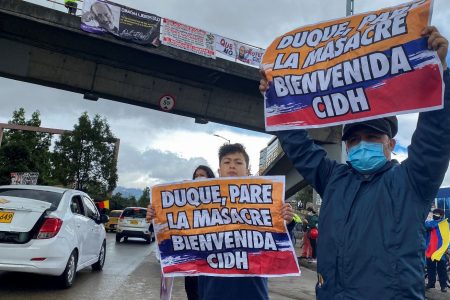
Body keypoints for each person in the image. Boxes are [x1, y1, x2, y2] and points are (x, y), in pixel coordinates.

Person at [259, 26, 450, 299]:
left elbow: (436, 137)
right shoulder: (333, 178)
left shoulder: (412, 182)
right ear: (346, 146)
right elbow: (299, 147)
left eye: (372, 136)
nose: (361, 144)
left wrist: (440, 75)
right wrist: (275, 99)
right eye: (354, 140)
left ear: (391, 144)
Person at [184, 165, 216, 300]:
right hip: (193, 260)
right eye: (196, 176)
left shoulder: (220, 200)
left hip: (212, 261)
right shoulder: (185, 203)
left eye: (202, 175)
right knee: (192, 294)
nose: (198, 178)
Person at [425, 208, 449, 293]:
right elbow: (426, 226)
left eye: (437, 214)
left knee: (441, 269)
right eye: (434, 214)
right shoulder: (429, 223)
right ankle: (431, 283)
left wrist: (447, 249)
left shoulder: (445, 224)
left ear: (442, 215)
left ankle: (443, 286)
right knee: (430, 268)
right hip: (430, 250)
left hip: (440, 251)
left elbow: (447, 238)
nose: (435, 215)